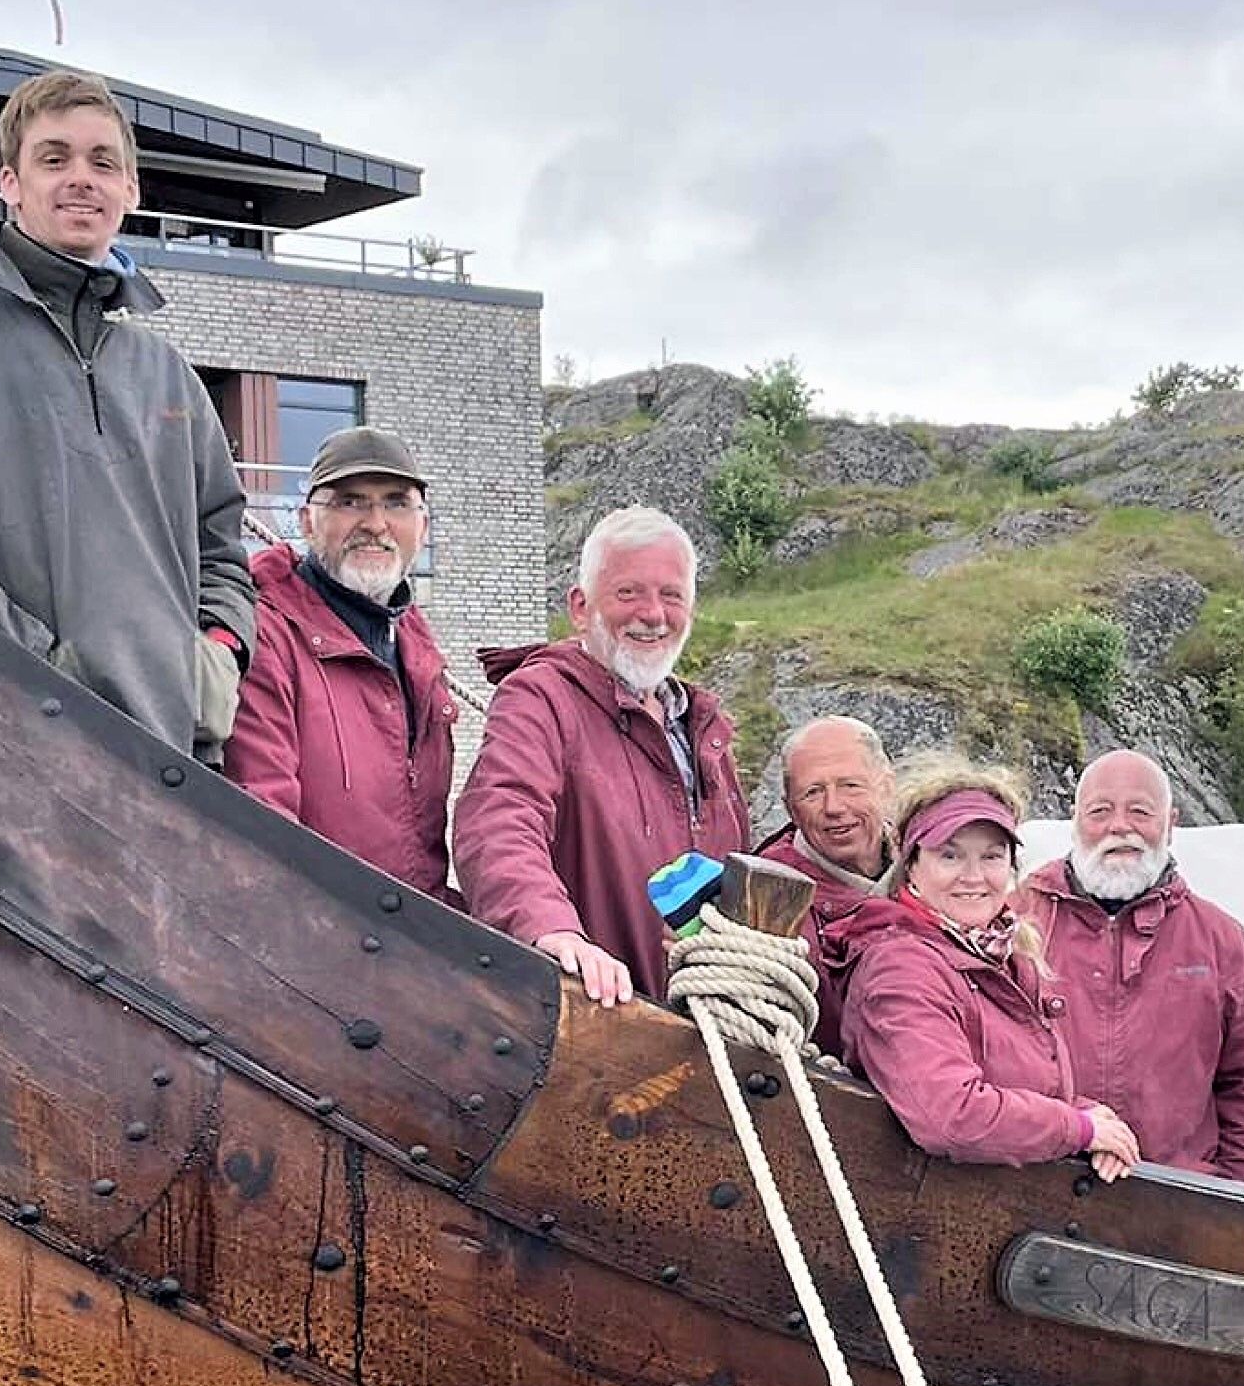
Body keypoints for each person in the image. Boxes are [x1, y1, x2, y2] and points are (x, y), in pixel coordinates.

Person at [0, 67, 257, 757]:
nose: (80, 179)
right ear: (10, 183)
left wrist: (215, 657)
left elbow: (223, 544)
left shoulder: (167, 374)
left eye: (103, 162)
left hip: (175, 756)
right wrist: (46, 676)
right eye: (54, 159)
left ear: (131, 189)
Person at [453, 506, 744, 1005]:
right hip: (596, 1015)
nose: (653, 614)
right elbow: (500, 817)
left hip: (702, 1025)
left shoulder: (704, 728)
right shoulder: (541, 698)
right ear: (581, 607)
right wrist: (551, 928)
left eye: (671, 595)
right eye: (628, 592)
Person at [816, 764, 1136, 1177]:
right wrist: (1075, 1129)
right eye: (950, 856)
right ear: (911, 865)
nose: (974, 877)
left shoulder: (1001, 953)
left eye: (991, 856)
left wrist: (1091, 1119)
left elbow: (1026, 1084)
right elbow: (950, 1115)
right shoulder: (900, 968)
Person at [1022, 748, 1244, 1183]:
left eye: (1140, 811)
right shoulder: (1017, 922)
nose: (1119, 826)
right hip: (1033, 1186)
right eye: (1100, 811)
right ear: (1074, 820)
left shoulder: (1219, 938)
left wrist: (1237, 1198)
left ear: (1171, 823)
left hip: (1176, 1198)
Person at [220, 423, 455, 898]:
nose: (375, 523)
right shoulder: (267, 635)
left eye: (396, 503)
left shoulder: (419, 650)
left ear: (423, 527)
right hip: (319, 925)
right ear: (307, 522)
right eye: (350, 502)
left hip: (413, 928)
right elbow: (263, 825)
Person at [758, 715, 895, 891]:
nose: (833, 807)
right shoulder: (767, 894)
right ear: (791, 810)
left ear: (887, 788)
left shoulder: (925, 858)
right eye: (813, 792)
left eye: (850, 786)